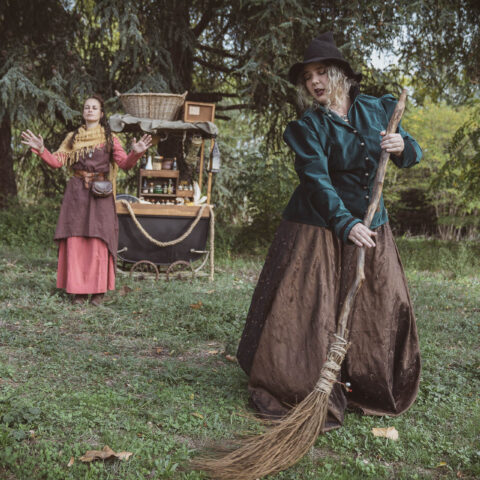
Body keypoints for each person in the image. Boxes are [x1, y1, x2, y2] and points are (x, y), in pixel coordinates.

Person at [236, 32, 422, 430]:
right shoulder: (309, 126)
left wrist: (401, 146)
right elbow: (316, 181)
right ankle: (300, 379)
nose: (313, 82)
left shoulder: (378, 109)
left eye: (321, 73)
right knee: (308, 310)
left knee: (383, 303)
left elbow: (413, 152)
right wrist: (345, 222)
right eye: (307, 77)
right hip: (317, 226)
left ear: (340, 74)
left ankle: (364, 379)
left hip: (373, 225)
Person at [21, 94, 152, 305]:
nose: (90, 110)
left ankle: (98, 292)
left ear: (101, 114)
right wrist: (41, 149)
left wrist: (135, 153)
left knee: (98, 240)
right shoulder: (72, 138)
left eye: (94, 107)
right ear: (83, 113)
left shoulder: (110, 139)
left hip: (100, 195)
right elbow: (56, 162)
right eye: (86, 107)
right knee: (76, 239)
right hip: (77, 194)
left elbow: (125, 164)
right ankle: (78, 292)